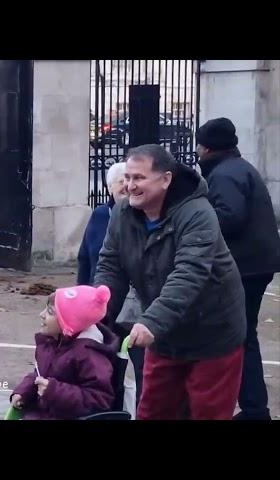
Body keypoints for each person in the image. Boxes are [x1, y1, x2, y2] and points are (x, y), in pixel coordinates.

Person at [94, 144, 246, 420]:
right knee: (153, 410)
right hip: (165, 333)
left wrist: (151, 322)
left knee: (207, 412)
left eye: (139, 178)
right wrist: (96, 312)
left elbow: (189, 273)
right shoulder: (122, 214)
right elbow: (110, 265)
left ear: (166, 179)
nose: (130, 186)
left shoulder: (198, 213)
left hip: (212, 331)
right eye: (127, 178)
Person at [196, 118, 280, 420]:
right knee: (244, 336)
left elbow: (229, 216)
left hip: (244, 267)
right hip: (255, 264)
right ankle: (254, 408)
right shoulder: (237, 167)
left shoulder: (225, 174)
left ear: (206, 147)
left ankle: (255, 409)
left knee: (239, 338)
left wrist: (195, 221)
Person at [76, 161, 145, 410]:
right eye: (122, 181)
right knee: (108, 368)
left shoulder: (143, 215)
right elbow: (87, 258)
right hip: (107, 306)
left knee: (144, 369)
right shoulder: (101, 216)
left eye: (131, 180)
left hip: (137, 309)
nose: (127, 187)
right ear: (109, 187)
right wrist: (83, 298)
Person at [10, 285, 119, 420]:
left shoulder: (89, 355)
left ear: (67, 321)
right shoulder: (53, 342)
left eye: (50, 312)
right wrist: (23, 391)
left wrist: (53, 391)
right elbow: (38, 373)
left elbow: (99, 400)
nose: (41, 315)